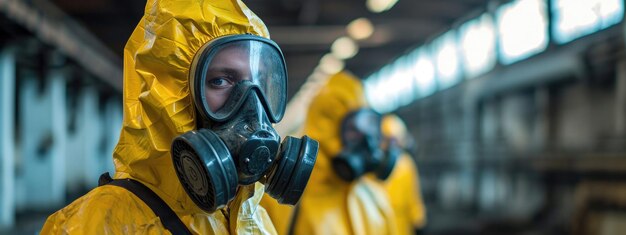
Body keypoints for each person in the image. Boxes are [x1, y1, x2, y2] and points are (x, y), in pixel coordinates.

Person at [40, 0, 318, 234]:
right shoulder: (90, 225)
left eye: (258, 82)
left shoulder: (256, 222)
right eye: (221, 81)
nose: (251, 107)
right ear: (170, 95)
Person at [262, 71, 397, 235]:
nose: (365, 142)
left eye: (368, 128)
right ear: (327, 126)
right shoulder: (277, 200)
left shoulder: (376, 201)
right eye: (354, 130)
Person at [381, 114, 427, 235]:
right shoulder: (373, 167)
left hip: (402, 226)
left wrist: (418, 221)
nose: (392, 146)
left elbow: (413, 196)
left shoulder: (406, 164)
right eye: (388, 140)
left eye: (394, 140)